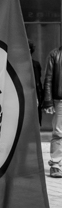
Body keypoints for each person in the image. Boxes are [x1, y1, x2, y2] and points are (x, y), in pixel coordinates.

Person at [44, 43, 62, 179]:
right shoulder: (55, 54)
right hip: (60, 100)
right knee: (58, 133)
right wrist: (48, 101)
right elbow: (48, 79)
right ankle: (55, 164)